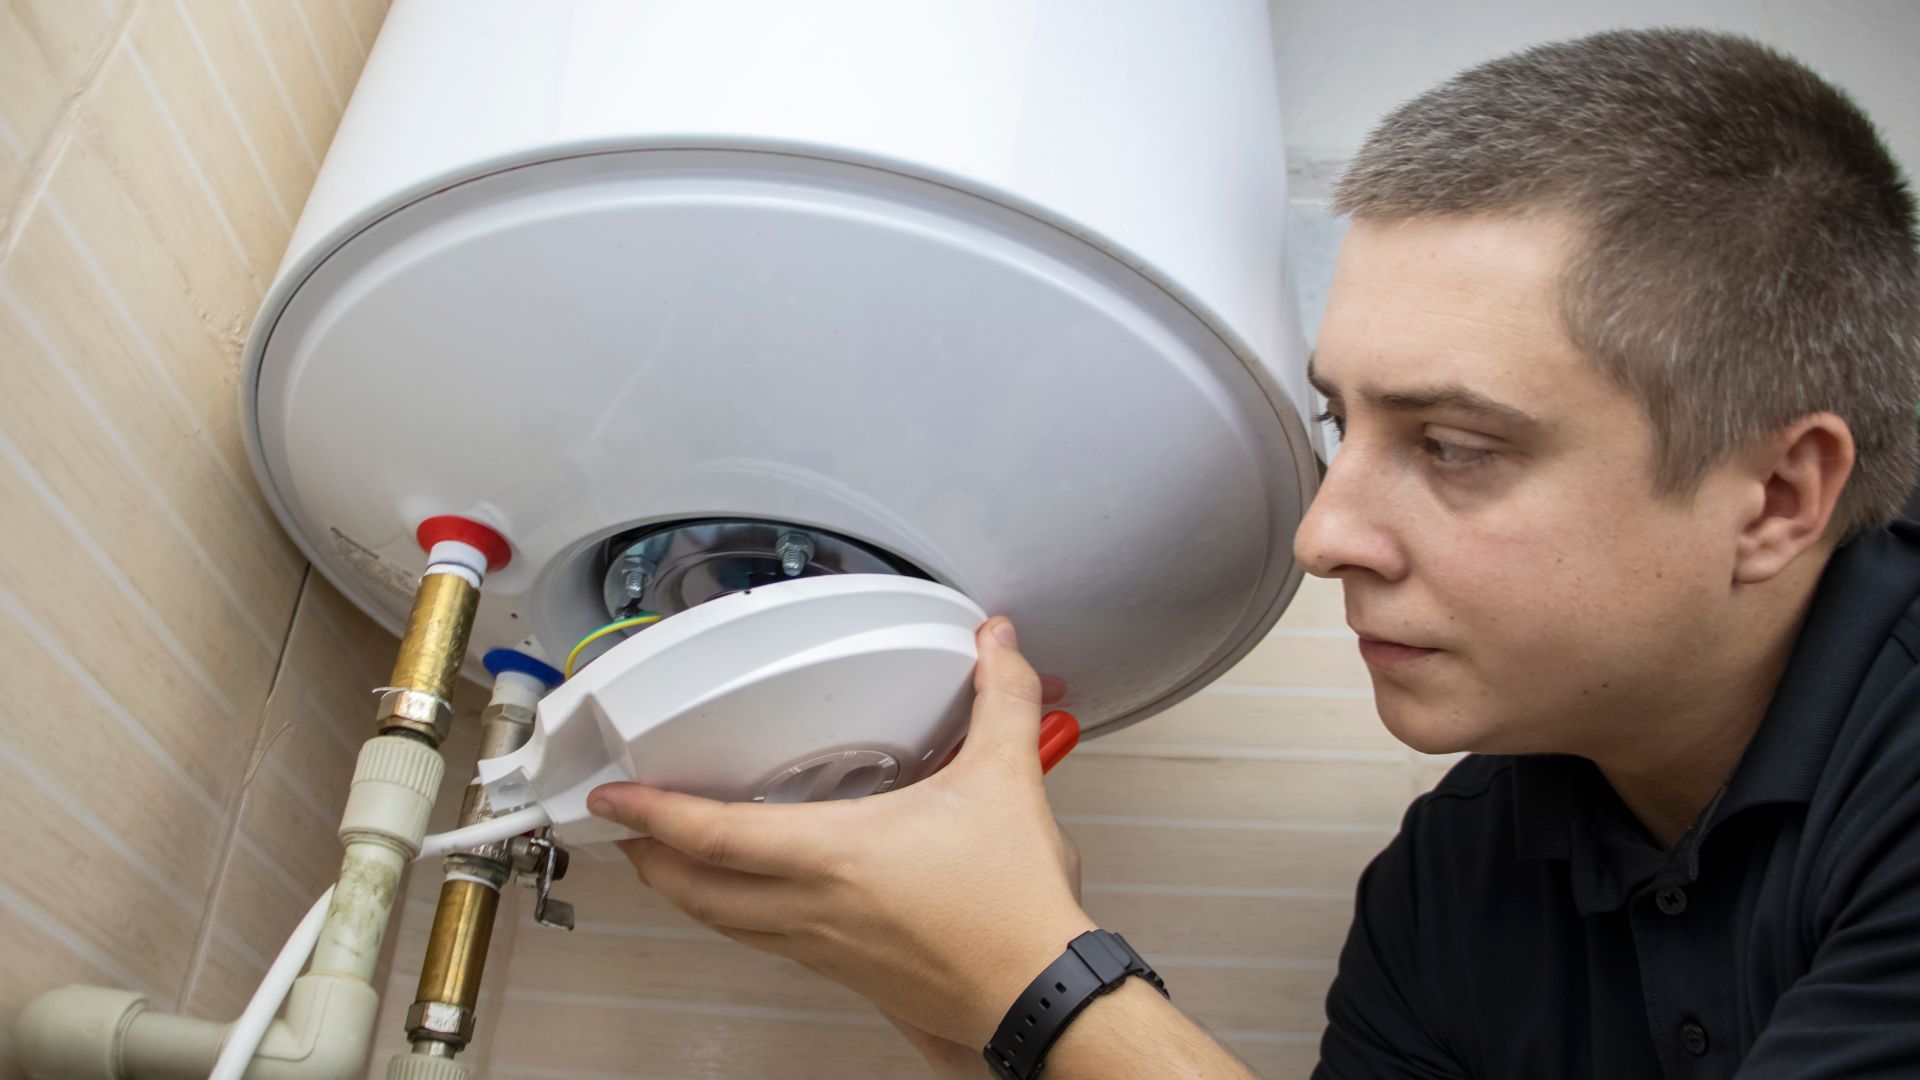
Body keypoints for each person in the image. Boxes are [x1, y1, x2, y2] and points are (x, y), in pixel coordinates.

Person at [583, 27, 1920, 1078]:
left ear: (1778, 497)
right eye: (1342, 421)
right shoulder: (1456, 890)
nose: (1325, 533)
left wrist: (1043, 986)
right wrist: (953, 983)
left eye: (1455, 445)